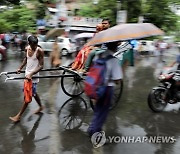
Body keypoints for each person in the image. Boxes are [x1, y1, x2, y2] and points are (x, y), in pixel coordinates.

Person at [88, 41, 123, 136]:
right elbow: (117, 80)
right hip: (107, 89)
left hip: (95, 86)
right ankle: (95, 133)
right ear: (115, 47)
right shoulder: (114, 60)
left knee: (97, 109)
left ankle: (91, 128)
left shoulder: (98, 56)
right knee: (103, 112)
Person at [9, 35, 44, 122]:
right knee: (34, 93)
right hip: (27, 75)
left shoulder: (40, 51)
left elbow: (41, 66)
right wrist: (20, 68)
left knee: (27, 97)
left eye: (36, 45)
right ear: (29, 44)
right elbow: (26, 59)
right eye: (33, 45)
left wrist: (32, 74)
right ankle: (41, 106)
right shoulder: (27, 49)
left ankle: (18, 116)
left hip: (34, 76)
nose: (34, 47)